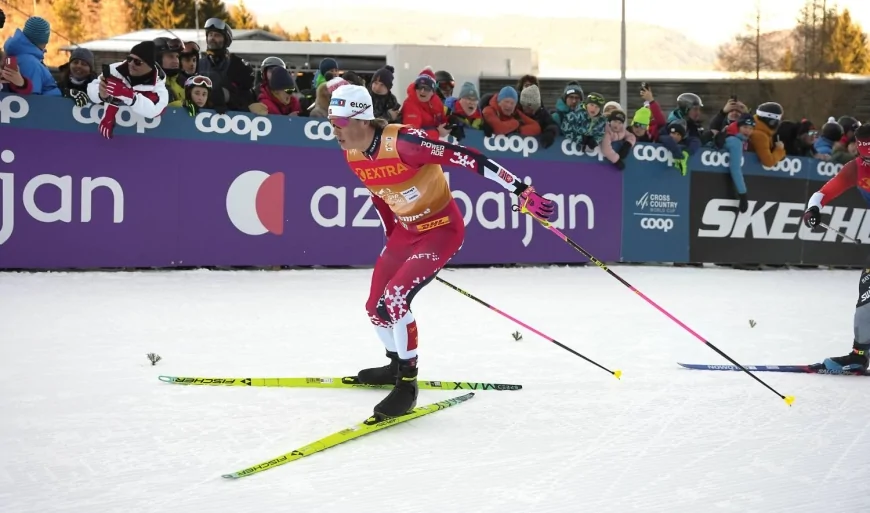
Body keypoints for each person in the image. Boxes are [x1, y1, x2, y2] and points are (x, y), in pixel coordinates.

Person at [328, 84, 555, 420]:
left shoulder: (405, 143)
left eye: (340, 123)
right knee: (375, 307)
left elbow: (470, 159)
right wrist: (393, 235)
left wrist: (520, 189)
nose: (335, 130)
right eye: (332, 121)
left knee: (396, 297)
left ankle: (407, 383)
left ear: (363, 120)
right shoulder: (352, 154)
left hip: (440, 231)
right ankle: (394, 364)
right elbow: (380, 195)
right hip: (406, 234)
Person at [803, 123, 870, 372]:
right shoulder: (855, 169)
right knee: (867, 298)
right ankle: (859, 355)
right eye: (866, 157)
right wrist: (813, 209)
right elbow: (824, 193)